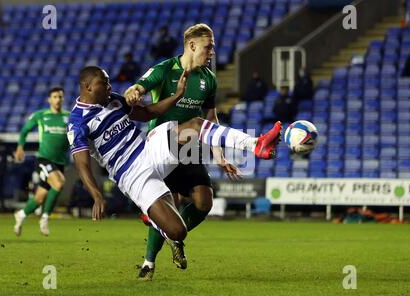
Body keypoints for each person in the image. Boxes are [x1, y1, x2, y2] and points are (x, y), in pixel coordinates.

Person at [69, 66, 282, 280]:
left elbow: (148, 113)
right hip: (132, 175)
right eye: (103, 83)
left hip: (149, 150)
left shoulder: (113, 100)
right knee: (178, 232)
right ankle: (156, 222)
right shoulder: (78, 122)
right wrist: (96, 195)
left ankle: (255, 143)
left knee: (194, 126)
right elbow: (82, 164)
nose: (109, 86)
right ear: (87, 87)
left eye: (108, 82)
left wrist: (178, 95)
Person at [125, 23, 240, 280]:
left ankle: (174, 237)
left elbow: (210, 118)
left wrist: (219, 155)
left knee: (204, 201)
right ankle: (148, 264)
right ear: (192, 45)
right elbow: (139, 87)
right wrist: (133, 92)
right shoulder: (166, 69)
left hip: (190, 149)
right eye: (208, 46)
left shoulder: (208, 78)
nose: (211, 52)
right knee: (169, 204)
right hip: (162, 148)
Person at [13, 87, 70, 237]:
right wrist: (20, 147)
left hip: (60, 162)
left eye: (60, 97)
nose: (58, 99)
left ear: (63, 99)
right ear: (49, 99)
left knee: (39, 198)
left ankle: (21, 214)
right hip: (44, 159)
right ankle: (45, 218)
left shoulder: (69, 116)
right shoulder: (40, 116)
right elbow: (25, 130)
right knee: (59, 183)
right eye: (55, 97)